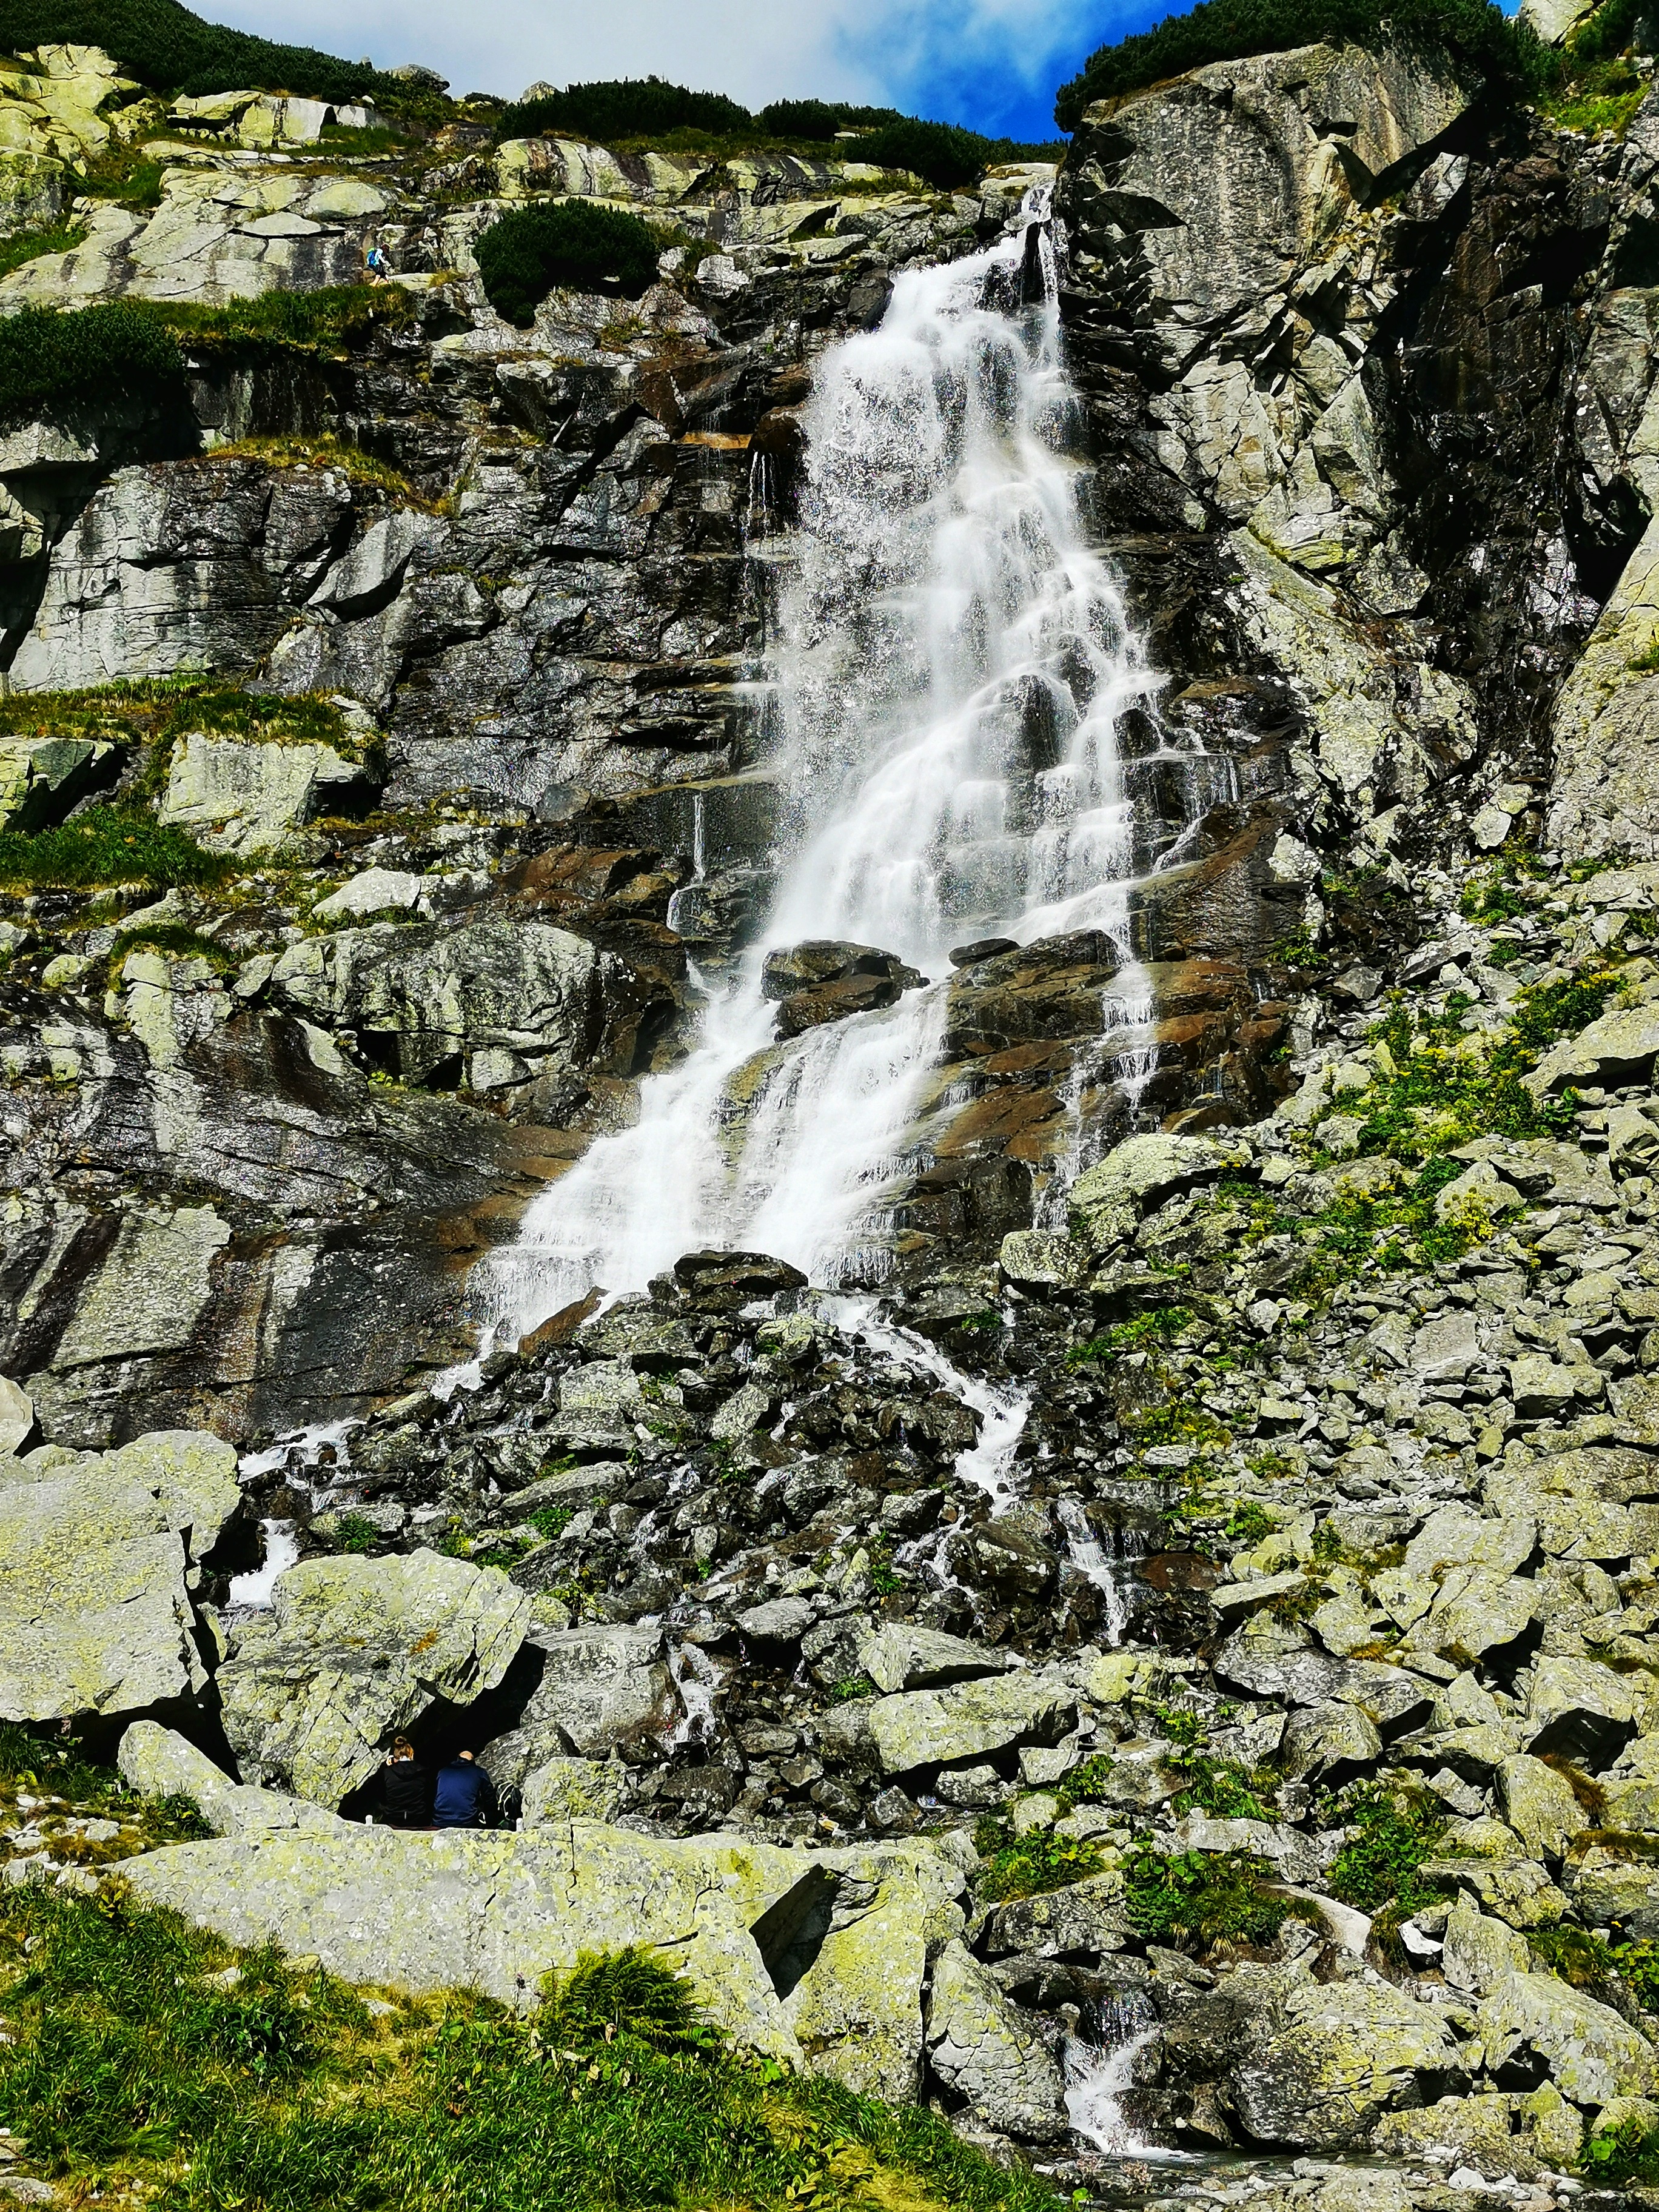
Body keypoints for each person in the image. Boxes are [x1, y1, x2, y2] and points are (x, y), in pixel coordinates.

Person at [432, 1747, 498, 1829]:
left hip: (439, 1821)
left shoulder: (442, 1772)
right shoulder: (479, 1772)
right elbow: (490, 1799)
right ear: (472, 1761)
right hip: (467, 1822)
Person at [378, 1735, 429, 1828]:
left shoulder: (388, 1772)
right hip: (418, 1819)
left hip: (393, 1819)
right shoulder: (423, 1773)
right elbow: (428, 1796)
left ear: (396, 1755)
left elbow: (382, 1797)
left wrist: (387, 1767)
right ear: (412, 1754)